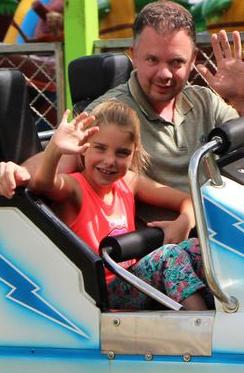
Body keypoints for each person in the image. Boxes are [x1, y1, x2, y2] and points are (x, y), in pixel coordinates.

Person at [0, 0, 244, 195]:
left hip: (215, 232)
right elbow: (60, 160)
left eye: (176, 62)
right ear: (134, 56)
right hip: (158, 247)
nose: (164, 74)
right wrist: (16, 172)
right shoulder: (111, 111)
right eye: (152, 60)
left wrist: (243, 99)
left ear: (192, 61)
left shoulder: (204, 101)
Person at [28, 101, 208, 310]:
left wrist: (184, 221)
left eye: (122, 153)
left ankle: (224, 311)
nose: (110, 161)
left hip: (129, 281)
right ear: (83, 149)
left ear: (133, 153)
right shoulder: (75, 188)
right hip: (99, 293)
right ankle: (202, 324)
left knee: (195, 247)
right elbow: (43, 184)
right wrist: (54, 150)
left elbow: (188, 200)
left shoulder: (129, 182)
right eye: (100, 148)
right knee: (169, 256)